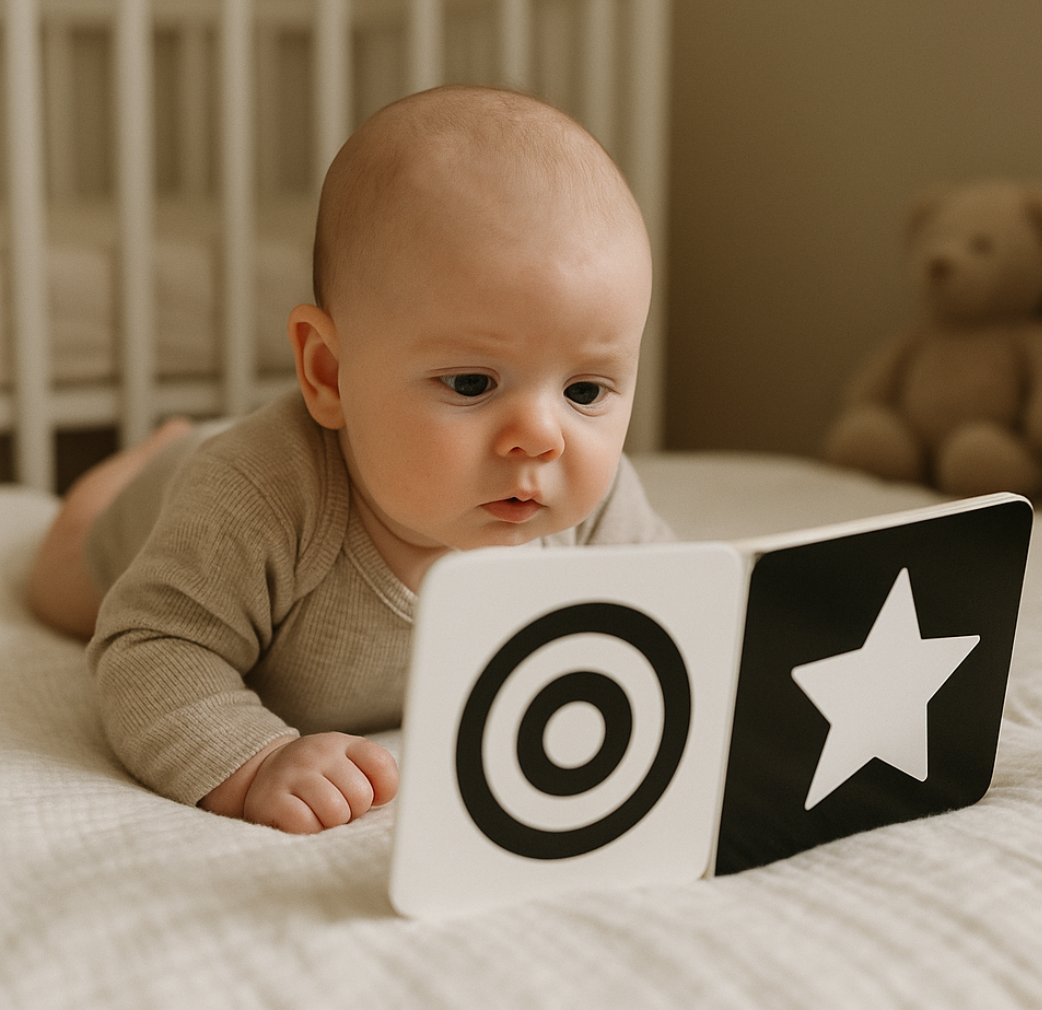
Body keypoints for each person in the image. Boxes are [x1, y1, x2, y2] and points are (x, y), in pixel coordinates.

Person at [25, 85, 672, 835]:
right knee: (61, 584)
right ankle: (148, 456)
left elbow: (676, 615)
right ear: (329, 374)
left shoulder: (594, 506)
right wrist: (256, 761)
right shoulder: (254, 498)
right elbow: (150, 647)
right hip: (159, 507)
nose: (540, 438)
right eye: (471, 383)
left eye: (586, 390)